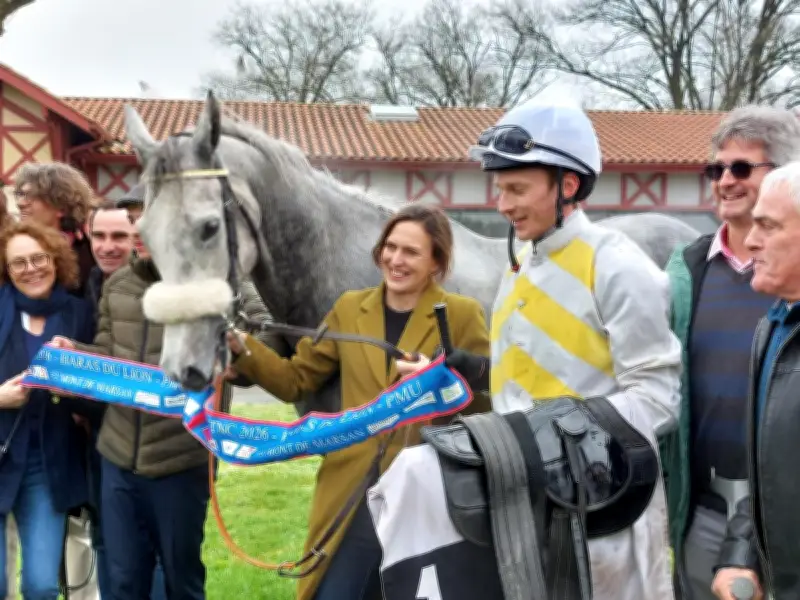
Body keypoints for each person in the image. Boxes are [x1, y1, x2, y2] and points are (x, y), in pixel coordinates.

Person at [394, 100, 682, 599]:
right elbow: (534, 378)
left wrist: (549, 441)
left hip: (604, 509)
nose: (502, 204)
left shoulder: (616, 265)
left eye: (517, 189)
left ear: (568, 186)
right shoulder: (522, 264)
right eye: (500, 189)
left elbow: (659, 399)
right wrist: (469, 371)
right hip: (526, 497)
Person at [225, 203, 492, 600]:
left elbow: (483, 407)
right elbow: (296, 380)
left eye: (411, 252)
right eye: (390, 247)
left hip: (423, 494)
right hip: (351, 493)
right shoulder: (350, 308)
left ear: (437, 261)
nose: (395, 260)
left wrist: (439, 384)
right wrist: (240, 345)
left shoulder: (461, 315)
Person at [51, 198, 275, 600]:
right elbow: (109, 352)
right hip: (117, 459)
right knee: (123, 580)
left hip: (181, 461)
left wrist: (235, 354)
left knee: (180, 580)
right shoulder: (118, 284)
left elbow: (270, 338)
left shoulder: (223, 286)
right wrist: (76, 357)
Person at [661, 105, 800, 600]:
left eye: (741, 168)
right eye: (716, 169)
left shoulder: (784, 286)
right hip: (702, 509)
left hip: (781, 517)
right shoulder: (689, 268)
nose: (725, 181)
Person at [711, 161, 800, 600]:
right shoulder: (774, 326)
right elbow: (766, 472)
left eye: (768, 226)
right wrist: (741, 552)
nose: (750, 241)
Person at [0, 220, 97, 600]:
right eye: (18, 263)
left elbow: (98, 384)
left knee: (40, 586)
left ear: (56, 261)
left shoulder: (79, 315)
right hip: (2, 449)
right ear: (7, 271)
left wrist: (75, 395)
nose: (31, 269)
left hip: (47, 462)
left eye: (38, 258)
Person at [12, 162, 98, 296]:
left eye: (30, 196)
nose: (20, 203)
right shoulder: (10, 248)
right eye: (21, 194)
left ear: (61, 207)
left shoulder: (88, 252)